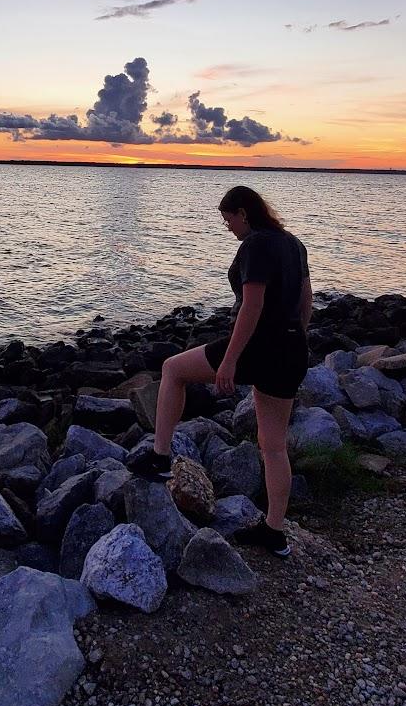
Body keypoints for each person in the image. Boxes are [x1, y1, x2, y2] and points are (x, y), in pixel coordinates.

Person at [127, 185, 311, 557]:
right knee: (273, 446)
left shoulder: (256, 245)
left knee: (172, 369)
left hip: (257, 347)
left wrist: (230, 361)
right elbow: (306, 299)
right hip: (292, 349)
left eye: (228, 219)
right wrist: (297, 340)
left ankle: (161, 457)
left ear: (244, 212)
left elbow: (252, 306)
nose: (227, 227)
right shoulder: (293, 243)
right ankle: (275, 532)